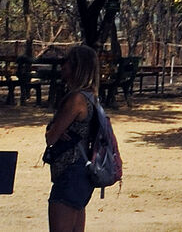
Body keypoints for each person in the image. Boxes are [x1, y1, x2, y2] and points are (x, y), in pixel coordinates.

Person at [43, 44, 110, 232]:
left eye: (67, 62)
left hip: (70, 173)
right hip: (82, 173)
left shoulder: (76, 99)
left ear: (77, 67)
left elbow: (51, 137)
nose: (62, 67)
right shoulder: (91, 98)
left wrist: (51, 129)